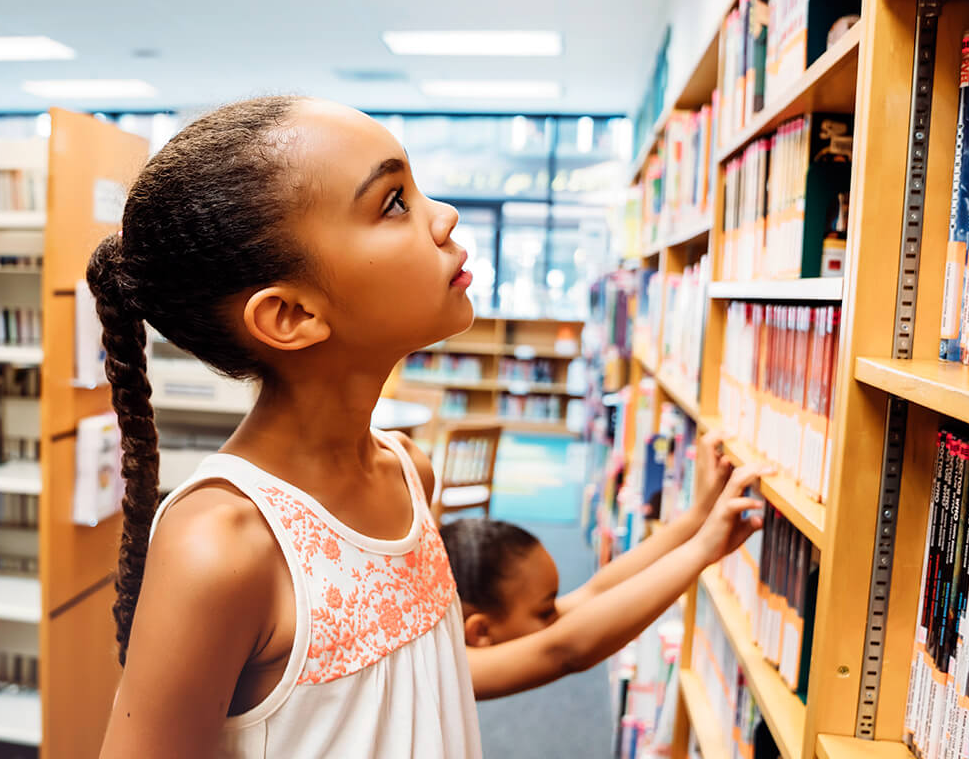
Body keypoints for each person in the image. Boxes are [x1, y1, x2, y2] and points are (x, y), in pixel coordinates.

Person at [87, 95, 762, 758]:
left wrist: (693, 529)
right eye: (393, 201)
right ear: (290, 315)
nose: (444, 216)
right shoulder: (222, 545)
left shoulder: (410, 472)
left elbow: (433, 681)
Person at [443, 433, 769, 699]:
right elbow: (564, 650)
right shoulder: (442, 668)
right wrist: (700, 552)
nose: (558, 617)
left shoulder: (444, 630)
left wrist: (698, 518)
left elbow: (595, 592)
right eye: (544, 613)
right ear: (481, 632)